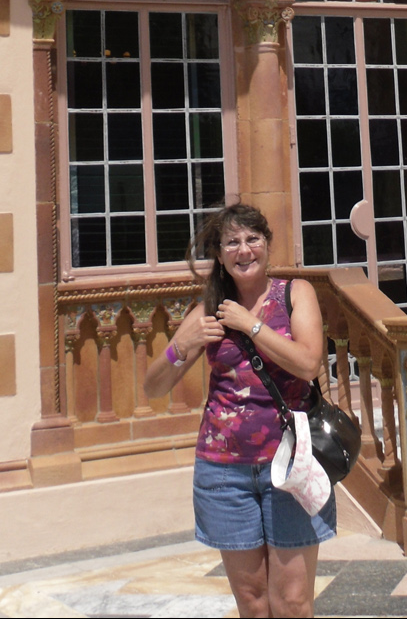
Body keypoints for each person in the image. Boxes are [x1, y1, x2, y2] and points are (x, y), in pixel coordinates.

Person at [143, 202, 334, 618]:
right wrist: (184, 345)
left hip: (291, 466)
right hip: (224, 473)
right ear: (219, 255)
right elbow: (154, 387)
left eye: (252, 239)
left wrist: (250, 325)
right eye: (232, 242)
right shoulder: (208, 310)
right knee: (252, 603)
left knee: (294, 602)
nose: (244, 250)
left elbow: (307, 363)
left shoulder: (295, 293)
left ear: (267, 245)